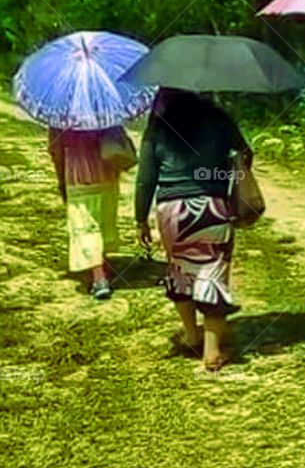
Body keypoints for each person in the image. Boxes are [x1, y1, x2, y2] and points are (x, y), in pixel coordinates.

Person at [135, 87, 250, 372]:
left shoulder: (158, 126)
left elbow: (145, 180)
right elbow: (245, 155)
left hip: (171, 211)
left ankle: (191, 334)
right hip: (212, 206)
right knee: (213, 272)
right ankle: (211, 352)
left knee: (180, 270)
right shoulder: (219, 118)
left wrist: (140, 219)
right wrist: (223, 171)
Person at [48, 125, 132, 300]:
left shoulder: (62, 118)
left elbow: (56, 152)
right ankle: (102, 261)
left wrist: (61, 180)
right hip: (107, 173)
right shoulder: (104, 112)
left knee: (85, 227)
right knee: (103, 220)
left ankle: (99, 278)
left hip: (79, 177)